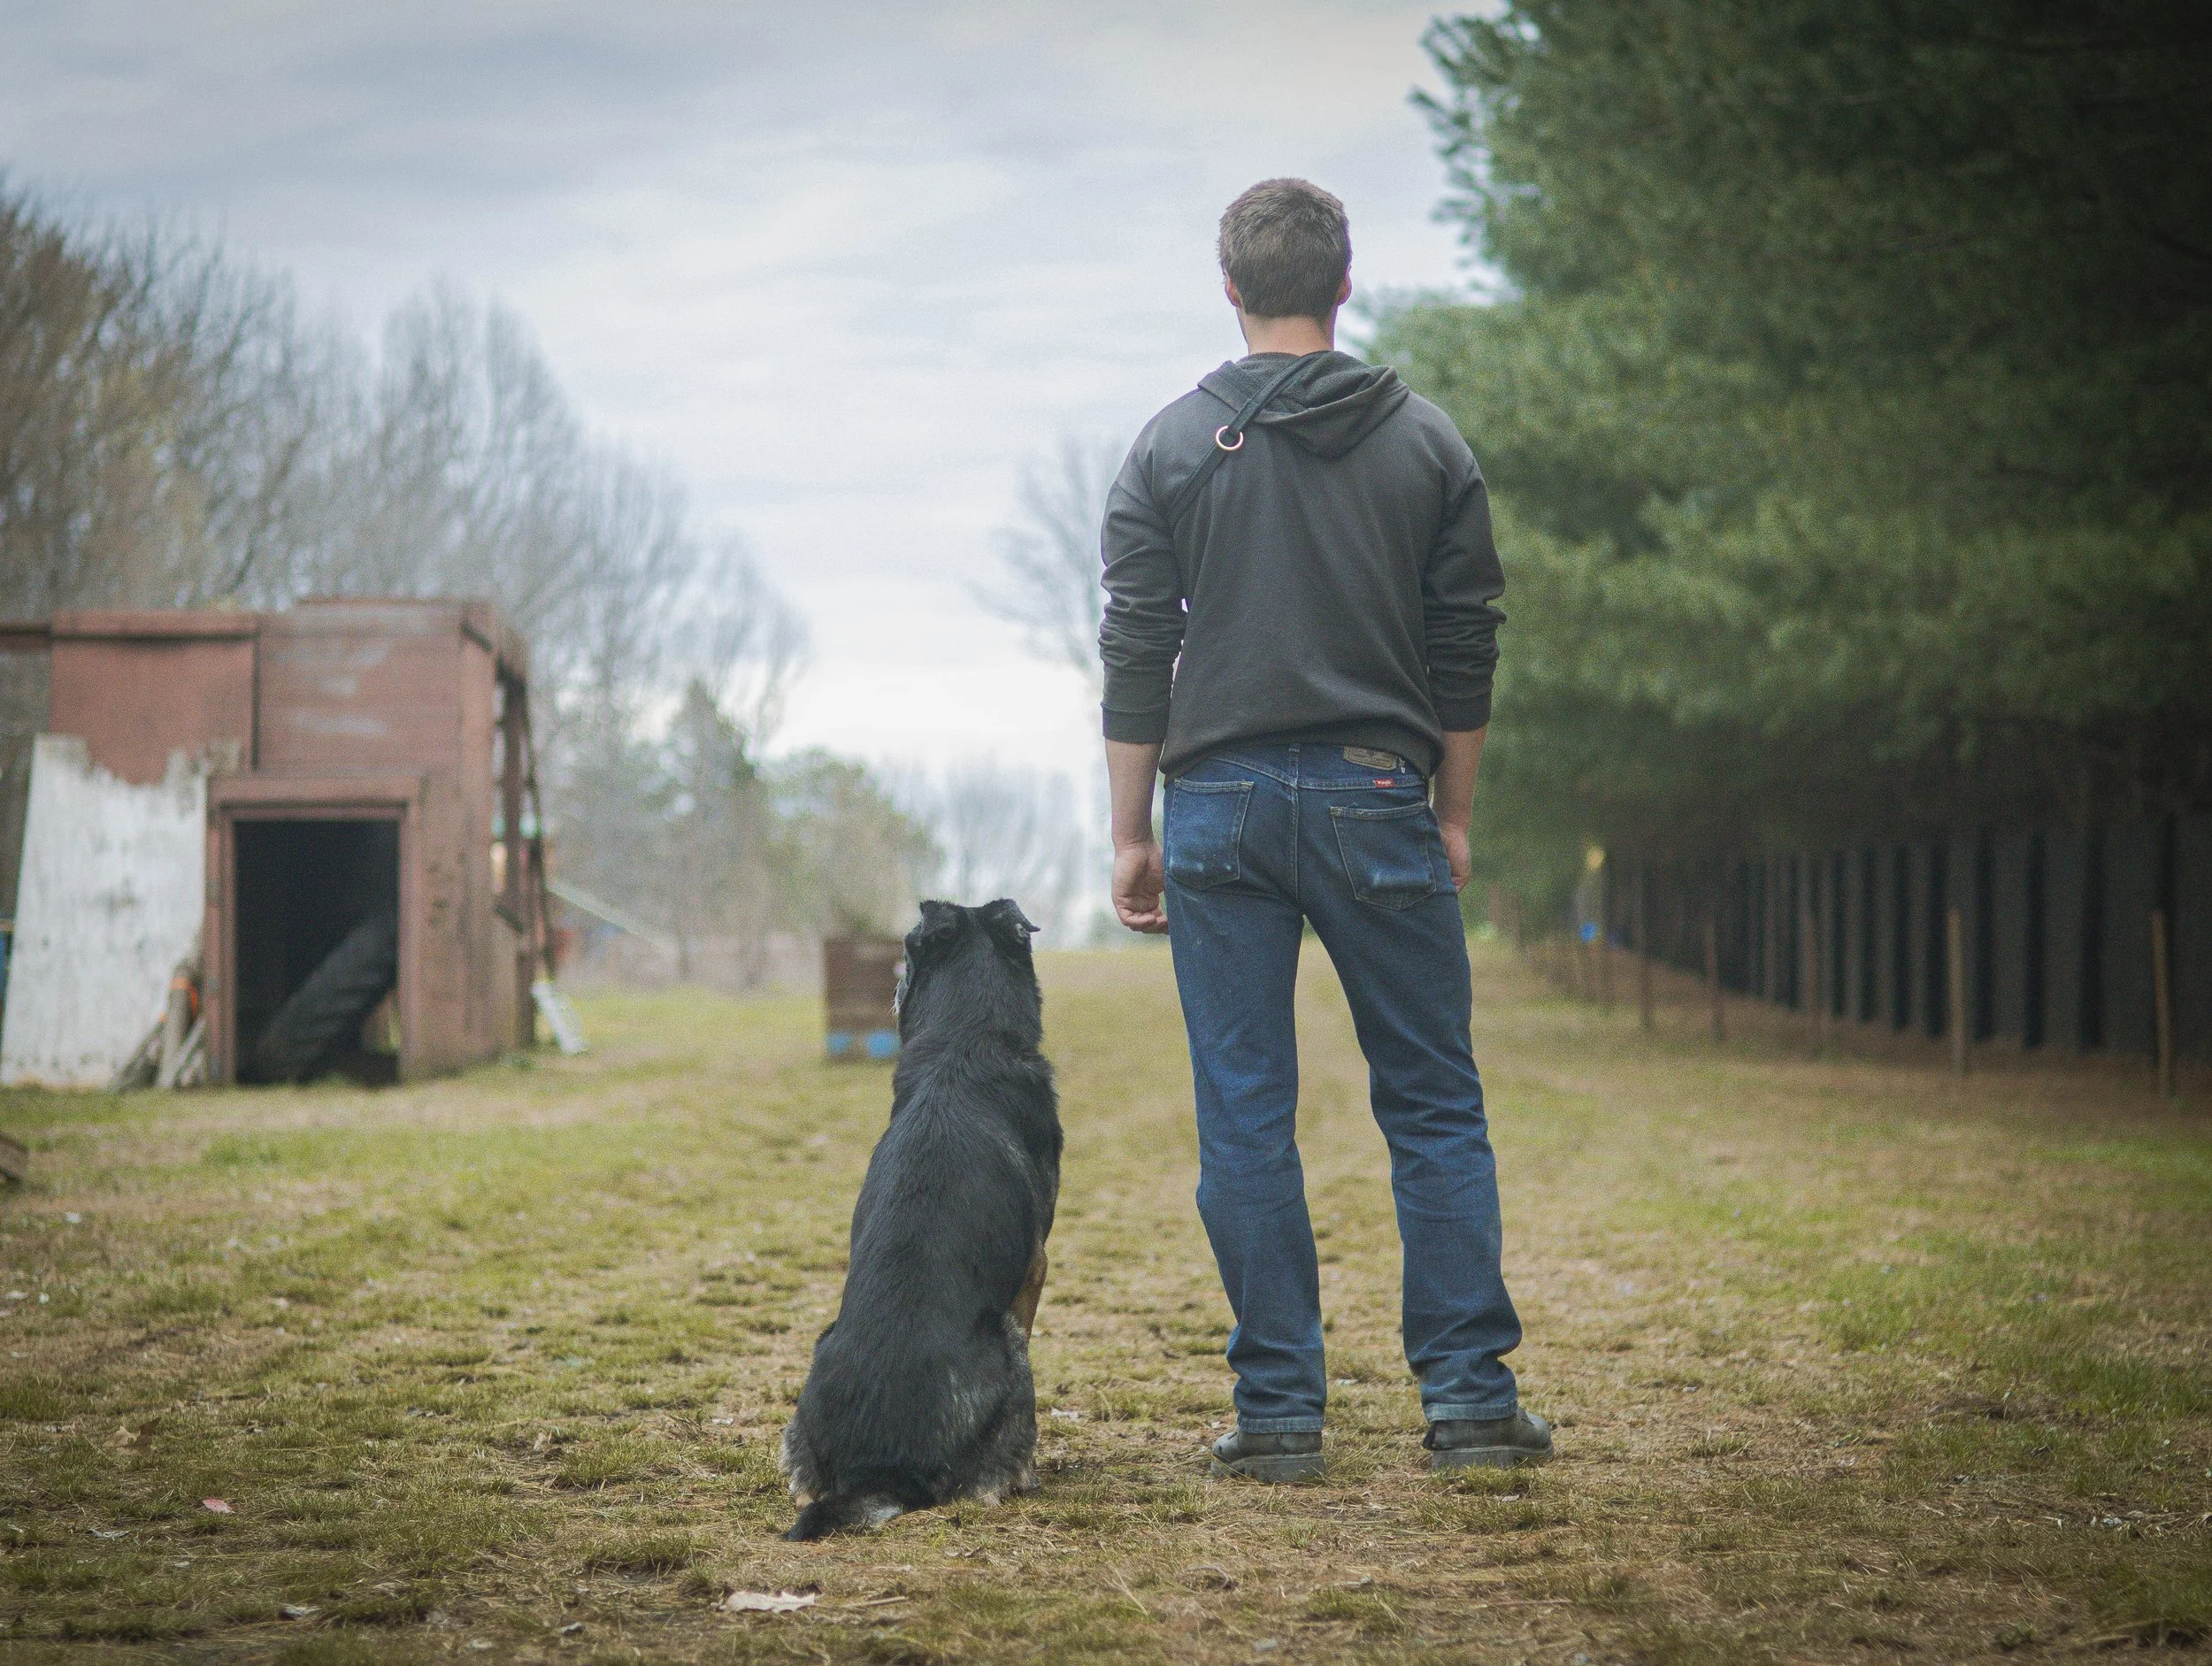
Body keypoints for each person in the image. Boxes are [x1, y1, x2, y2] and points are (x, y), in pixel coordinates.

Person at [1096, 177, 1548, 1479]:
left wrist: (1132, 830)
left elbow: (1137, 649)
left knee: (1245, 1115)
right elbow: (1466, 646)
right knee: (1433, 1104)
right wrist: (1450, 812)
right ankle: (1467, 1402)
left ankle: (1281, 1416)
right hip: (1376, 792)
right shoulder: (1429, 447)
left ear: (1229, 289)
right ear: (1344, 285)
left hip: (1220, 806)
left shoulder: (1169, 451)